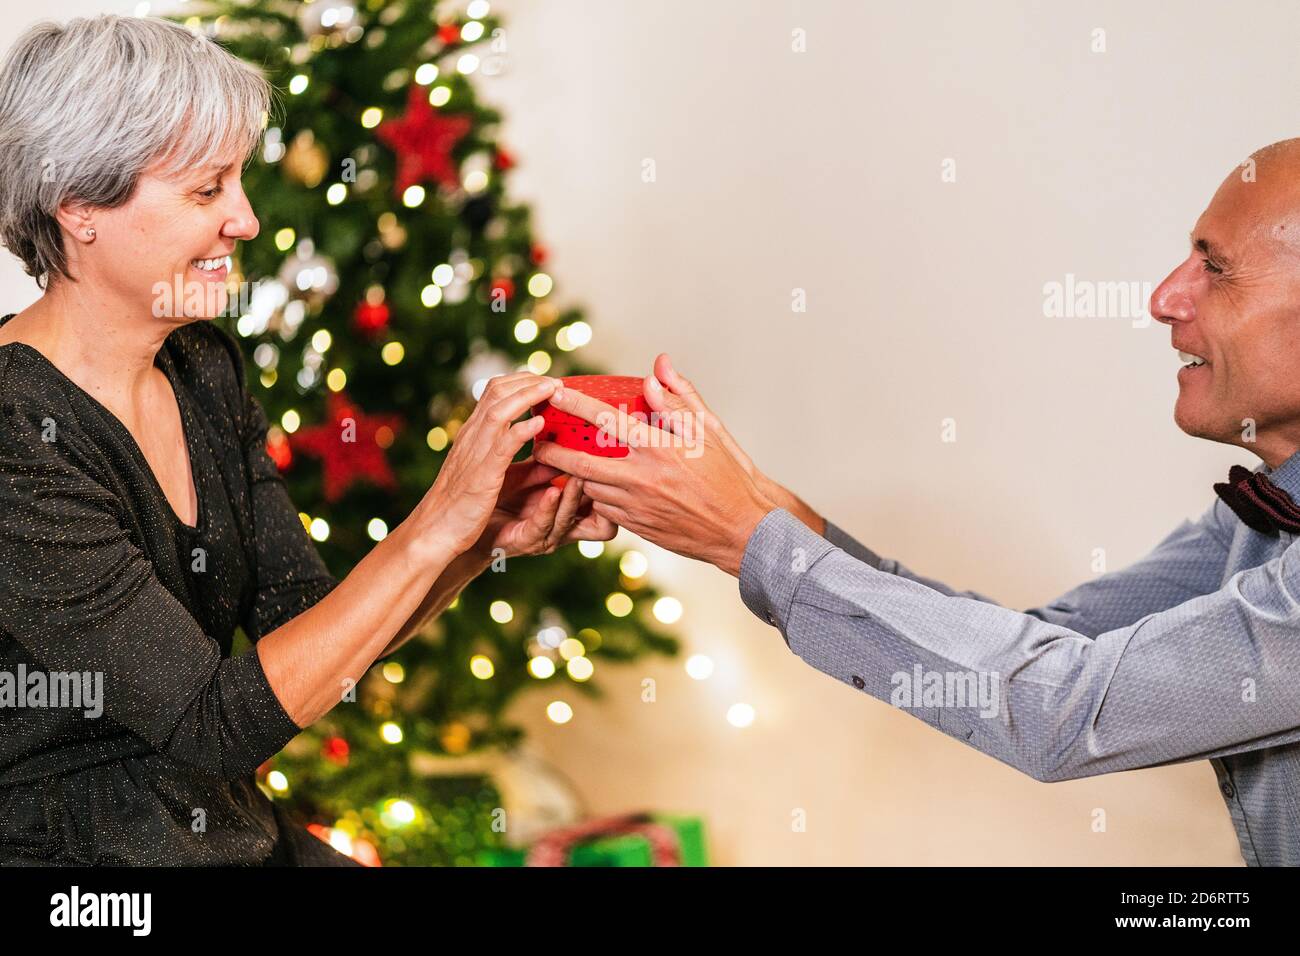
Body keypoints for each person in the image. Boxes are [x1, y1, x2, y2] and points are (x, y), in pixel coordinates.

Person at [535, 138, 1300, 867]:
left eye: (1217, 269)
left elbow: (1061, 706)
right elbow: (1039, 644)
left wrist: (747, 535)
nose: (1165, 298)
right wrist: (766, 508)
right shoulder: (1263, 514)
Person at [0, 14, 612, 865]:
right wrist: (433, 523)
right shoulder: (16, 437)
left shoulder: (202, 364)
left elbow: (310, 626)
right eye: (207, 191)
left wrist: (475, 541)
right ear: (77, 206)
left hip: (224, 836)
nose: (246, 221)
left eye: (238, 183)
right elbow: (215, 724)